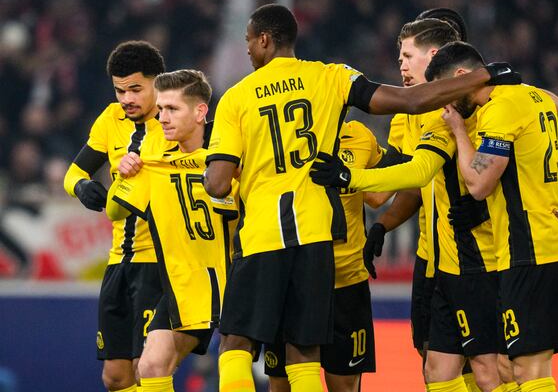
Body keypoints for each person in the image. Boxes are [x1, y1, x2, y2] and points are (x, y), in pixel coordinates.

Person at [203, 3, 519, 392]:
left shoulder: (237, 97)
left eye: (249, 42)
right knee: (305, 355)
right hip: (318, 240)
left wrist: (214, 171)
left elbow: (217, 184)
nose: (248, 51)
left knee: (235, 343)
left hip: (264, 237)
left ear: (264, 40)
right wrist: (483, 75)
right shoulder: (332, 76)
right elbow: (409, 103)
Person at [310, 18, 504, 392]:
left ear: (433, 56)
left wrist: (351, 177)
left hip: (481, 255)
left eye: (407, 55)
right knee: (434, 365)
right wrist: (383, 225)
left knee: (491, 367)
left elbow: (523, 161)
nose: (400, 64)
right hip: (432, 260)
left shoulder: (473, 108)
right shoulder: (406, 117)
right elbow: (411, 185)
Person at [427, 41, 558, 392]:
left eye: (447, 90)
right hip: (553, 246)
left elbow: (478, 183)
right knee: (525, 366)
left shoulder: (500, 109)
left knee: (527, 370)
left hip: (528, 250)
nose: (446, 101)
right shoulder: (533, 97)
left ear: (463, 77)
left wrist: (460, 132)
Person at [105, 69, 239, 392]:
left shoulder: (229, 157)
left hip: (225, 279)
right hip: (179, 284)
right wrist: (123, 176)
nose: (162, 118)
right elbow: (114, 211)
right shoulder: (151, 159)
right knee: (149, 366)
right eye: (160, 109)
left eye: (172, 109)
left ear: (200, 112)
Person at [63, 41, 166, 392]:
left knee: (146, 366)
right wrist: (81, 188)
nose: (126, 99)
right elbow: (74, 172)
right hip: (118, 261)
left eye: (135, 89)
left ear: (159, 82)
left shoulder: (175, 119)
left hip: (159, 262)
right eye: (120, 90)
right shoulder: (112, 119)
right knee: (116, 377)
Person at [265, 120, 383, 392]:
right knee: (283, 384)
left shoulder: (359, 133)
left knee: (343, 384)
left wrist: (382, 223)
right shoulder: (281, 132)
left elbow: (376, 195)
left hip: (346, 279)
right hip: (291, 280)